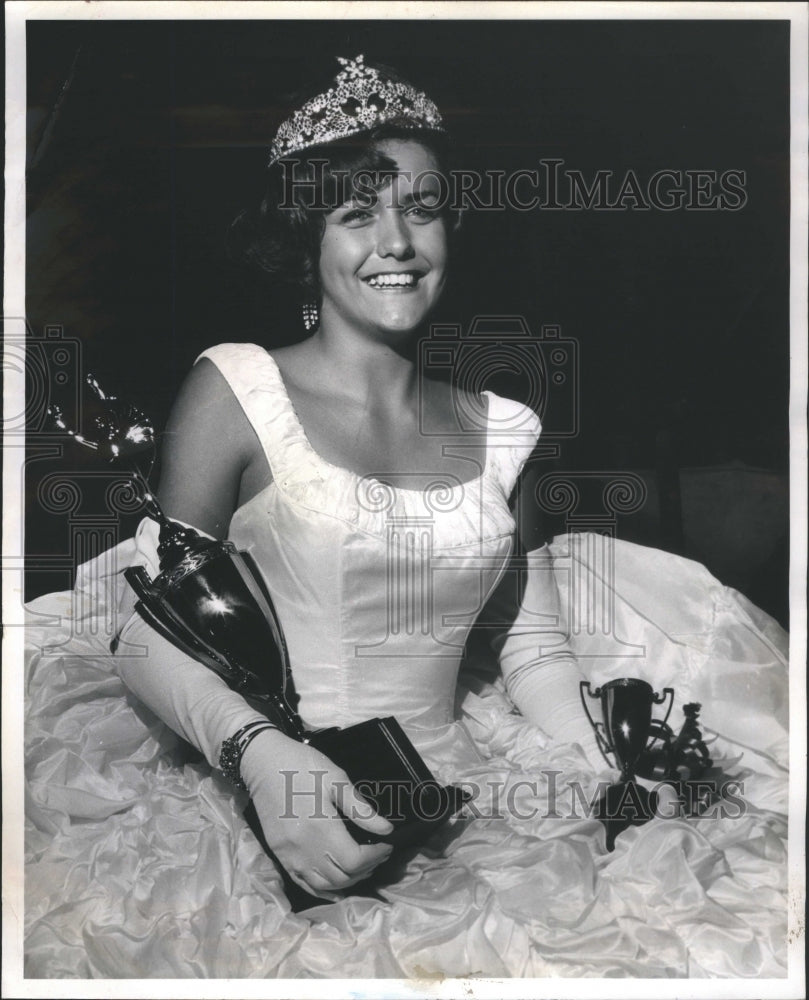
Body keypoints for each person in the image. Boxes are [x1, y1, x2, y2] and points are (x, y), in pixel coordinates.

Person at [25, 55, 790, 979]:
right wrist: (263, 761)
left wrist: (606, 769)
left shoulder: (506, 428)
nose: (395, 242)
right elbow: (153, 627)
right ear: (305, 237)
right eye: (356, 213)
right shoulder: (234, 386)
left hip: (467, 794)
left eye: (419, 209)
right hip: (260, 780)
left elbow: (533, 647)